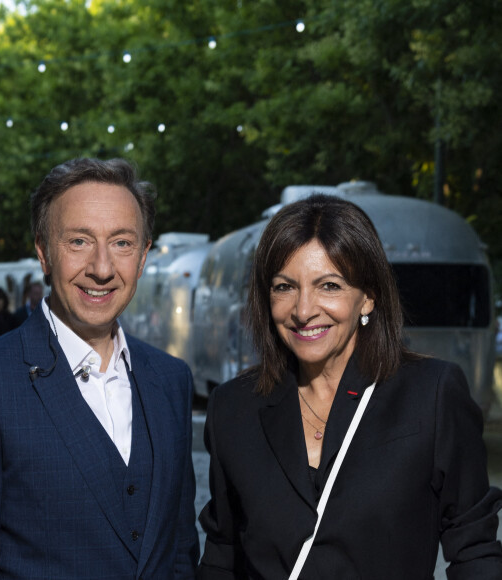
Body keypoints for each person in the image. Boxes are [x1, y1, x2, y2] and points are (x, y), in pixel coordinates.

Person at [197, 194, 502, 579]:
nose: (304, 310)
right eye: (284, 287)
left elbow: (475, 551)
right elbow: (223, 552)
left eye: (329, 286)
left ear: (368, 297)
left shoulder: (431, 395)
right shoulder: (234, 407)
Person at [0, 157, 199, 579]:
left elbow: (179, 551)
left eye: (122, 243)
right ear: (43, 252)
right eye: (79, 242)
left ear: (143, 256)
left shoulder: (171, 379)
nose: (102, 268)